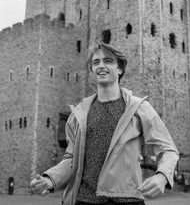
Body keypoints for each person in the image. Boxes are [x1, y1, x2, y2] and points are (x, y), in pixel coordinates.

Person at [30, 43, 179, 205]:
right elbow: (72, 159)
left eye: (108, 61)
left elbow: (168, 149)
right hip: (84, 200)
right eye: (96, 62)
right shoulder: (79, 114)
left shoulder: (139, 108)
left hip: (127, 199)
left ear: (120, 69)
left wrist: (162, 176)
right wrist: (50, 179)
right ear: (92, 70)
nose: (101, 65)